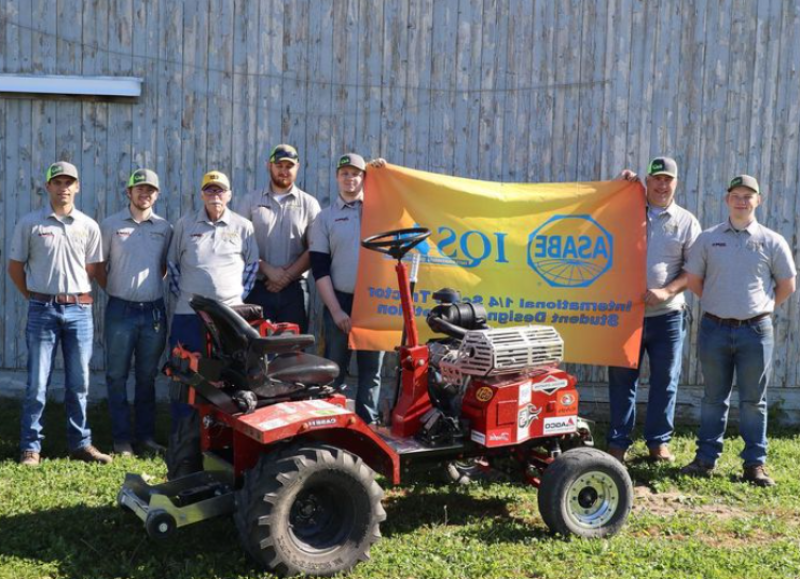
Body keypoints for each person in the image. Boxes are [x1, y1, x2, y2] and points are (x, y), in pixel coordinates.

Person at [680, 174, 796, 487]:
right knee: (714, 398)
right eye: (736, 195)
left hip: (756, 333)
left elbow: (787, 284)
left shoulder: (771, 241)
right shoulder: (709, 238)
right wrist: (718, 303)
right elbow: (693, 280)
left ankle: (754, 464)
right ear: (727, 199)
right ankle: (705, 459)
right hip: (714, 329)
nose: (742, 201)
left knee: (753, 401)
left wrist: (765, 307)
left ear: (758, 200)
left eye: (748, 196)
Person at [8, 161, 112, 466]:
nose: (63, 187)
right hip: (42, 310)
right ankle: (31, 447)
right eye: (57, 182)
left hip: (79, 312)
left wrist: (73, 295)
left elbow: (93, 269)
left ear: (77, 187)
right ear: (48, 186)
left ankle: (80, 444)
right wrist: (35, 297)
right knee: (37, 383)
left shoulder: (88, 226)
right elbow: (15, 268)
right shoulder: (31, 223)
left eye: (69, 182)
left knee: (79, 383)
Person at [606, 157, 702, 463]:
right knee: (622, 382)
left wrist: (667, 290)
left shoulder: (687, 221)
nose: (662, 185)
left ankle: (658, 443)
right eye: (656, 179)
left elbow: (694, 270)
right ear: (646, 182)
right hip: (626, 316)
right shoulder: (627, 213)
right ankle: (618, 442)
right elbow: (598, 221)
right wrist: (618, 189)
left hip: (668, 317)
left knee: (665, 380)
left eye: (667, 180)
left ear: (676, 183)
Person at [166, 170, 259, 422]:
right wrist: (190, 297)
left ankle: (223, 430)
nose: (215, 195)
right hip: (189, 315)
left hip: (230, 317)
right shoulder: (185, 225)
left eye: (220, 190)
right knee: (186, 372)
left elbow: (252, 266)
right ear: (201, 194)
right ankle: (184, 430)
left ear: (229, 195)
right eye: (210, 190)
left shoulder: (243, 226)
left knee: (228, 376)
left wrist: (235, 296)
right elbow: (172, 265)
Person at [97, 169, 172, 456]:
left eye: (150, 189)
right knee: (116, 375)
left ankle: (146, 437)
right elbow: (98, 266)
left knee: (146, 376)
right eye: (139, 188)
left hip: (153, 311)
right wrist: (118, 290)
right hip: (120, 310)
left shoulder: (164, 228)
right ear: (128, 192)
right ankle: (121, 439)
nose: (145, 194)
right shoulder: (111, 225)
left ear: (157, 194)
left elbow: (164, 266)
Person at [309, 154, 384, 424]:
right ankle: (333, 426)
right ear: (337, 177)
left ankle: (369, 427)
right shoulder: (325, 218)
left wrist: (384, 172)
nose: (350, 178)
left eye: (356, 173)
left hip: (374, 302)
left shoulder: (380, 210)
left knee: (371, 371)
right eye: (344, 173)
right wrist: (336, 310)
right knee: (334, 370)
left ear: (364, 178)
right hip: (339, 300)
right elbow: (319, 267)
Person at [237, 144, 320, 332]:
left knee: (292, 352)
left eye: (289, 166)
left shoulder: (309, 204)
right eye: (279, 165)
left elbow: (315, 248)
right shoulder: (250, 201)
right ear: (269, 165)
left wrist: (286, 276)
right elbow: (239, 244)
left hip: (295, 291)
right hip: (257, 287)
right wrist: (267, 269)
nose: (283, 171)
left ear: (297, 167)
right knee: (257, 351)